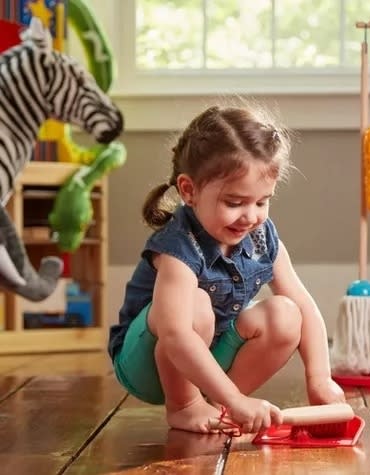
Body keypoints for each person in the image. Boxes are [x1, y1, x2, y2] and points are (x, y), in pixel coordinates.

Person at [108, 104, 345, 434]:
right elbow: (175, 334)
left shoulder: (261, 236)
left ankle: (219, 409)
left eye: (261, 202)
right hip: (147, 364)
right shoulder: (178, 245)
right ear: (189, 191)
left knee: (287, 315)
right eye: (234, 203)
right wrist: (237, 398)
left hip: (208, 358)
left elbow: (305, 306)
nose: (250, 216)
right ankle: (185, 406)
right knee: (197, 303)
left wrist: (320, 379)